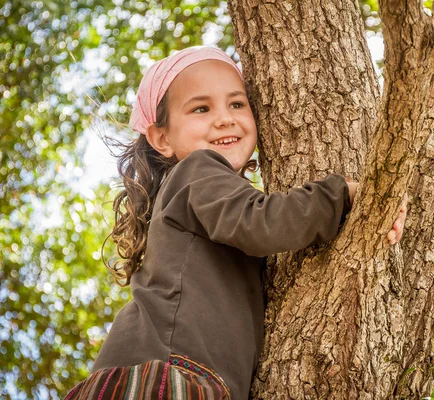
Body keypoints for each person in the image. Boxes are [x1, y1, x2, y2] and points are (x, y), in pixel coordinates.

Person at [64, 46, 408, 400]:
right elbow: (262, 223)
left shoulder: (202, 197)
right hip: (165, 376)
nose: (225, 118)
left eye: (237, 104)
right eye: (201, 108)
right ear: (162, 138)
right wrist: (343, 196)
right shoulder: (196, 172)